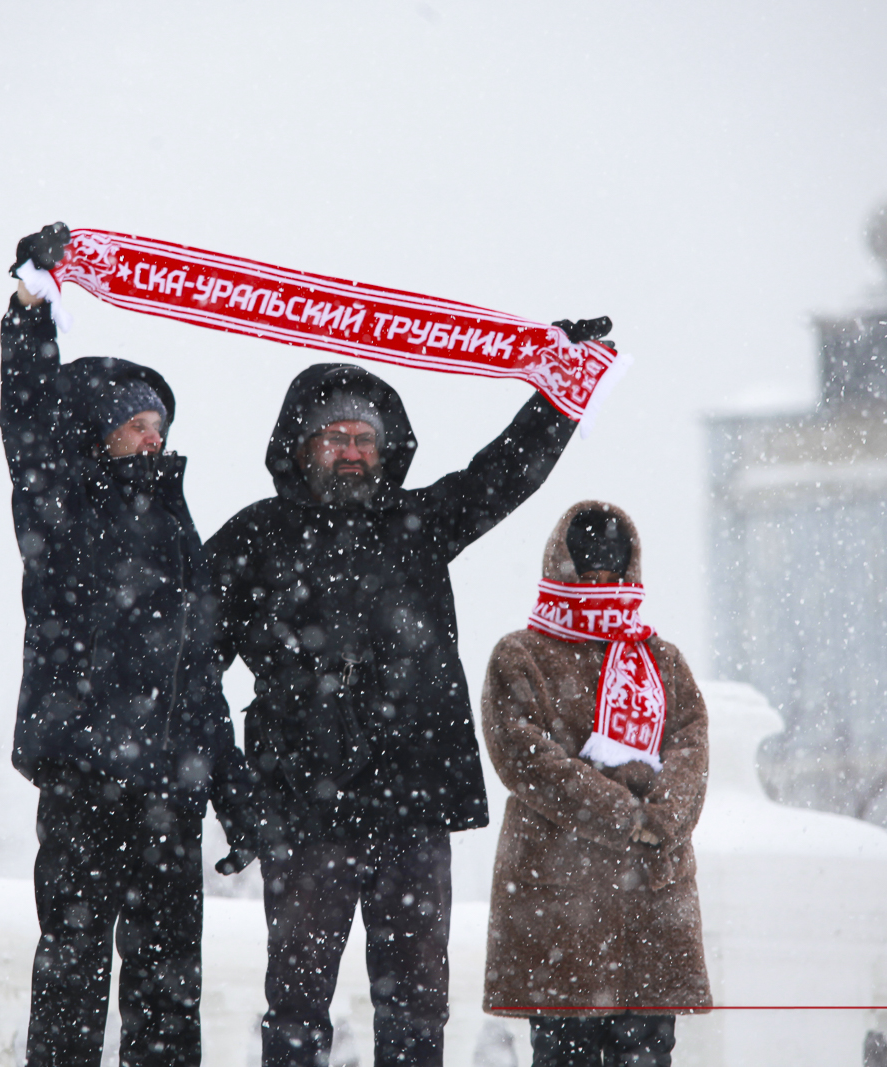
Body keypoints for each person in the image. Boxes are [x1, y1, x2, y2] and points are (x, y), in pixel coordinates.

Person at [208, 344, 602, 1067]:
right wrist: (236, 790)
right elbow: (189, 665)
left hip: (413, 802)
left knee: (418, 1005)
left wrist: (563, 390)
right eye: (336, 437)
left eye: (365, 438)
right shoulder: (253, 537)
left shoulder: (419, 523)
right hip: (303, 805)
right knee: (296, 1006)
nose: (352, 451)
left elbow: (505, 472)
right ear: (301, 447)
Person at [0, 224, 254, 1067]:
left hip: (168, 793)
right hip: (83, 780)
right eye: (136, 423)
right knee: (71, 976)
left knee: (168, 987)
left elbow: (202, 674)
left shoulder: (180, 532)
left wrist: (233, 791)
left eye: (159, 422)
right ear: (99, 431)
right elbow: (29, 419)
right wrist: (31, 310)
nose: (154, 436)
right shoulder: (58, 509)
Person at [479, 502, 709, 1067]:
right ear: (563, 568)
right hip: (559, 905)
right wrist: (628, 816)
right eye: (587, 569)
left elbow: (691, 748)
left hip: (653, 905)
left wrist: (659, 817)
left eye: (610, 568)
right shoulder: (520, 655)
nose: (599, 581)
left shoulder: (663, 659)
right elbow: (527, 759)